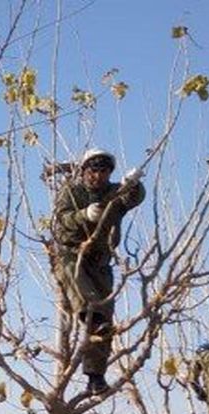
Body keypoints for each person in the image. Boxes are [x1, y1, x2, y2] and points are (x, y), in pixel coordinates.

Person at [51, 148, 145, 396]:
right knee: (86, 297)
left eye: (104, 171)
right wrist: (84, 214)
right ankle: (89, 314)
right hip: (73, 253)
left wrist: (133, 184)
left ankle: (96, 376)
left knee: (104, 321)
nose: (98, 176)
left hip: (101, 261)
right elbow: (62, 219)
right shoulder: (72, 192)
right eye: (94, 170)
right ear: (84, 171)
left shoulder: (114, 193)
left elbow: (132, 199)